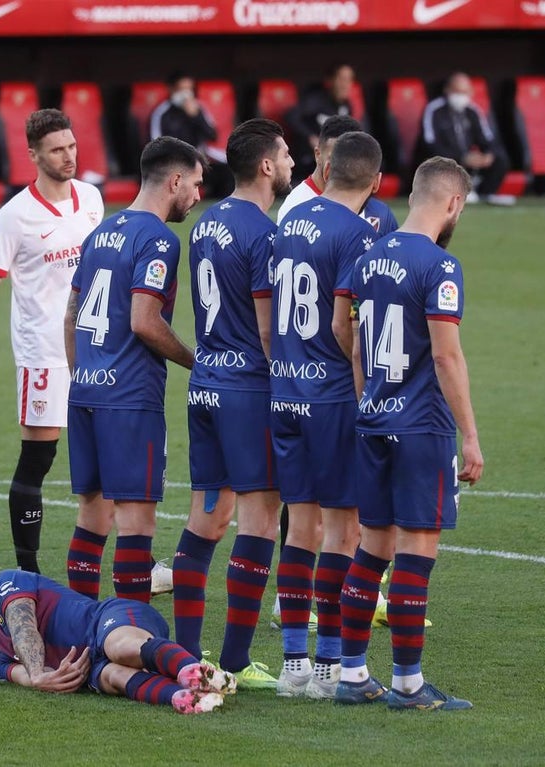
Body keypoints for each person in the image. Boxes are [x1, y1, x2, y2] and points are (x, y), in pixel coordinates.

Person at [337, 156, 483, 711]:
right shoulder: (440, 267)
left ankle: (353, 675)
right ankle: (408, 685)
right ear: (451, 204)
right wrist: (469, 435)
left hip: (372, 421)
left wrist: (365, 402)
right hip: (420, 428)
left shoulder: (369, 257)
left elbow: (350, 341)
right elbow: (446, 356)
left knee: (371, 550)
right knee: (416, 554)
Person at [169, 118, 293, 690]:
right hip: (247, 388)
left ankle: (185, 655)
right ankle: (239, 660)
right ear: (265, 166)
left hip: (205, 383)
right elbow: (268, 331)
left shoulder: (206, 223)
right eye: (287, 155)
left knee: (207, 518)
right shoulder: (265, 235)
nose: (294, 164)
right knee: (261, 521)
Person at [63, 136, 203, 604]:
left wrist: (83, 375)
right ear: (175, 180)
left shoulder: (99, 232)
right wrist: (195, 361)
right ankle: (130, 634)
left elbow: (71, 314)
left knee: (92, 516)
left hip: (85, 392)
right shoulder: (159, 239)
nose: (198, 197)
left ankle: (80, 631)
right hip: (129, 399)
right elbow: (144, 322)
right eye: (197, 185)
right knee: (136, 523)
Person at [0, 109, 104, 575]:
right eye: (57, 150)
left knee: (105, 456)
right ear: (34, 156)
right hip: (43, 354)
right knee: (38, 459)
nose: (69, 156)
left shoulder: (91, 199)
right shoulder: (15, 217)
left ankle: (115, 558)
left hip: (95, 350)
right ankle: (28, 570)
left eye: (71, 146)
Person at [269, 131, 382, 699]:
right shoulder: (360, 235)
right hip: (331, 396)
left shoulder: (290, 220)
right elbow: (346, 326)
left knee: (302, 527)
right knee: (343, 531)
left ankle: (293, 663)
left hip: (284, 391)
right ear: (377, 182)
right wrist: (365, 394)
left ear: (329, 169)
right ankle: (328, 667)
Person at [0, 569, 236, 713]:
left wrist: (39, 673)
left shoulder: (3, 583)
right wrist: (42, 679)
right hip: (91, 666)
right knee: (112, 675)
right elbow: (25, 678)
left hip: (109, 618)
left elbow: (23, 627)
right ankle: (187, 698)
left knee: (118, 648)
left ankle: (193, 671)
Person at [278, 115, 398, 237]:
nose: (343, 166)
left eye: (351, 158)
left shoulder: (379, 213)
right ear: (318, 154)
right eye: (335, 158)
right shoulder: (296, 207)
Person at [420, 72, 515, 206]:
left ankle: (484, 194)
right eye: (457, 91)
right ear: (447, 90)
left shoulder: (473, 111)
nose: (461, 96)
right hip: (446, 161)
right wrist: (462, 157)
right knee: (438, 162)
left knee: (500, 158)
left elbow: (488, 140)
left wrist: (487, 155)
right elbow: (429, 144)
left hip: (469, 162)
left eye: (464, 92)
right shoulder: (434, 110)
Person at [150, 72, 232, 198]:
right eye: (181, 89)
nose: (186, 94)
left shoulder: (198, 108)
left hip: (199, 159)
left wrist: (195, 116)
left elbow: (212, 135)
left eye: (189, 89)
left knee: (227, 169)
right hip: (174, 162)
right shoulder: (161, 112)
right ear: (171, 89)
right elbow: (155, 144)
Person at [287, 64, 361, 181]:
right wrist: (310, 136)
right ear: (330, 80)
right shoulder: (316, 101)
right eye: (341, 79)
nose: (345, 85)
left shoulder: (347, 106)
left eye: (349, 80)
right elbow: (292, 117)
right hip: (310, 162)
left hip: (336, 161)